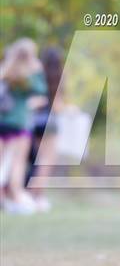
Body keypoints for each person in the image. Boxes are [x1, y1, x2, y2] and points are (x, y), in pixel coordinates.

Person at [0, 38, 47, 215]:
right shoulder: (28, 76)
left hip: (2, 122)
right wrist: (37, 71)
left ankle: (4, 199)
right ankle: (16, 196)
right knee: (16, 163)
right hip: (19, 123)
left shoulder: (5, 71)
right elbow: (41, 91)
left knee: (1, 161)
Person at [26, 46, 65, 212]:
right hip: (50, 122)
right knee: (47, 161)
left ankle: (28, 195)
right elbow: (58, 105)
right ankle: (36, 196)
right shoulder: (59, 76)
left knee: (36, 160)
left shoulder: (35, 74)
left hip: (34, 121)